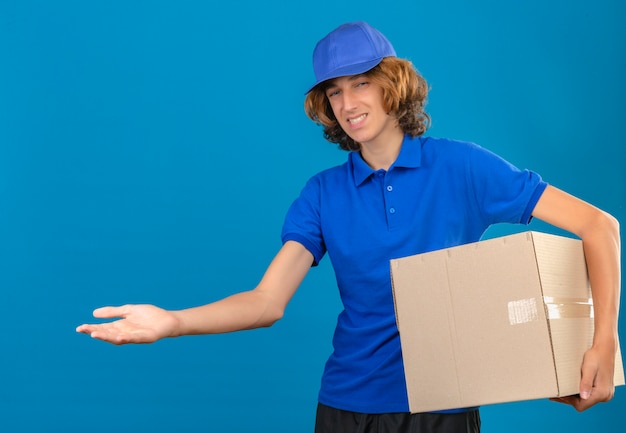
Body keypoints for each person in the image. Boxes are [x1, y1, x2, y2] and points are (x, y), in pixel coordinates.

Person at [77, 21, 621, 433]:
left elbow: (599, 227)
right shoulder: (322, 193)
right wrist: (172, 321)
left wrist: (600, 342)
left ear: (393, 85)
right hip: (346, 406)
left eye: (362, 83)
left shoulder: (462, 168)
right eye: (334, 91)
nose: (348, 103)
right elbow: (267, 301)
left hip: (445, 406)